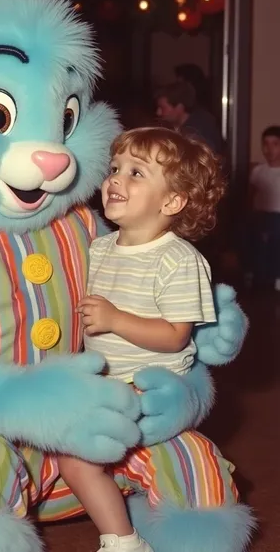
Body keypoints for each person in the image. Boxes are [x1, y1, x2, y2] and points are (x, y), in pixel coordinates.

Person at [58, 127, 228, 552]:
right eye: (115, 168)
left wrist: (115, 319)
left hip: (148, 386)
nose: (116, 179)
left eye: (137, 173)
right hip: (103, 382)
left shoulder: (178, 260)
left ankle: (122, 541)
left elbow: (174, 337)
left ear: (171, 202)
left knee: (75, 459)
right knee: (65, 454)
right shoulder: (100, 248)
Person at [246, 125, 280, 289]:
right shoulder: (259, 171)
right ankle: (256, 274)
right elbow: (250, 196)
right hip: (260, 215)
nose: (269, 149)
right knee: (257, 238)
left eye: (275, 144)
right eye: (265, 144)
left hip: (278, 216)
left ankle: (275, 275)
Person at [154, 80, 223, 155]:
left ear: (179, 107)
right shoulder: (175, 127)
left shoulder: (199, 131)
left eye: (163, 108)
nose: (158, 112)